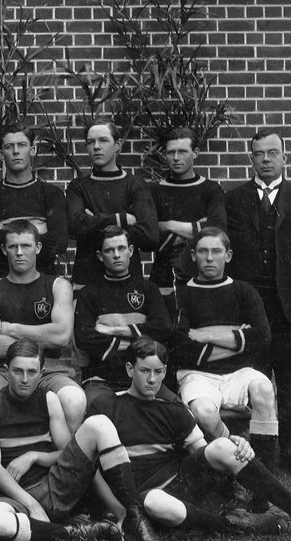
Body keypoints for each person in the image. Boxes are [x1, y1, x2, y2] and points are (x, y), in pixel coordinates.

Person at [91, 338, 291, 541]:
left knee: (223, 446)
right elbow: (95, 469)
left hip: (179, 484)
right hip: (143, 497)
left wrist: (235, 447)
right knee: (157, 502)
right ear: (130, 369)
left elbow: (203, 454)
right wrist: (119, 510)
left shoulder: (173, 409)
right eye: (145, 371)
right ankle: (238, 523)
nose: (152, 379)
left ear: (165, 371)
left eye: (158, 372)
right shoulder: (107, 406)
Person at [0, 340, 159, 541]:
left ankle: (135, 516)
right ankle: (75, 531)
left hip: (56, 487)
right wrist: (32, 505)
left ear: (42, 373)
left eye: (32, 372)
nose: (25, 379)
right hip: (16, 495)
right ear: (7, 371)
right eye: (18, 371)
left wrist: (34, 456)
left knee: (99, 424)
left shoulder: (49, 399)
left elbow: (65, 452)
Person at [224, 131, 291, 477]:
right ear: (251, 159)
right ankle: (257, 451)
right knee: (253, 378)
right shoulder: (234, 199)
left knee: (289, 380)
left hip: (290, 307)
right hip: (251, 308)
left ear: (284, 157)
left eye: (272, 153)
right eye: (259, 154)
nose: (266, 159)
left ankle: (290, 450)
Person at [172, 226, 280, 468]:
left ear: (228, 255)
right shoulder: (182, 294)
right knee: (204, 412)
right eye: (203, 251)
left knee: (264, 389)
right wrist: (238, 339)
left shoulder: (244, 291)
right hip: (197, 374)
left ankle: (265, 470)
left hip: (239, 372)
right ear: (193, 255)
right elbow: (182, 348)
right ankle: (243, 462)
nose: (209, 258)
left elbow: (262, 337)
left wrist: (207, 334)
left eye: (216, 251)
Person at [0, 220, 86, 435]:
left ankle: (66, 456)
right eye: (13, 246)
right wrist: (44, 334)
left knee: (74, 400)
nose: (19, 252)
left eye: (26, 246)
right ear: (4, 250)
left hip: (50, 369)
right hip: (4, 370)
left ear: (38, 248)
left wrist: (12, 328)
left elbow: (62, 336)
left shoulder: (58, 286)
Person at [74, 225, 173, 403]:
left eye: (121, 248)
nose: (116, 255)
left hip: (146, 377)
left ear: (131, 251)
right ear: (100, 256)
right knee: (100, 411)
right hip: (102, 379)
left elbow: (163, 327)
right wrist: (139, 342)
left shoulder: (148, 290)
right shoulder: (89, 293)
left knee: (179, 409)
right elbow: (84, 337)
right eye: (109, 250)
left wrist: (113, 330)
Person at [66, 121, 158, 289]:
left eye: (103, 140)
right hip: (87, 281)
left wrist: (93, 221)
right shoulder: (78, 186)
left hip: (128, 283)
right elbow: (74, 227)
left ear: (118, 145)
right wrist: (120, 219)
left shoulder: (135, 184)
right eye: (90, 142)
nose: (96, 147)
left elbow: (149, 237)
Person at [149, 127, 227, 316]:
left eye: (182, 151)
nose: (176, 158)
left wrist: (168, 225)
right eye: (171, 152)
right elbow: (148, 235)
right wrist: (197, 228)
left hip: (203, 274)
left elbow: (218, 229)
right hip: (164, 276)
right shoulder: (154, 191)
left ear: (195, 153)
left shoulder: (210, 189)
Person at [0, 121, 68, 279]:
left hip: (45, 277)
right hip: (2, 278)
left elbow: (60, 242)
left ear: (32, 150)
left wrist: (6, 232)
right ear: (1, 154)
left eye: (22, 145)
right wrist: (37, 230)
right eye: (9, 147)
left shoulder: (51, 194)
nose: (16, 151)